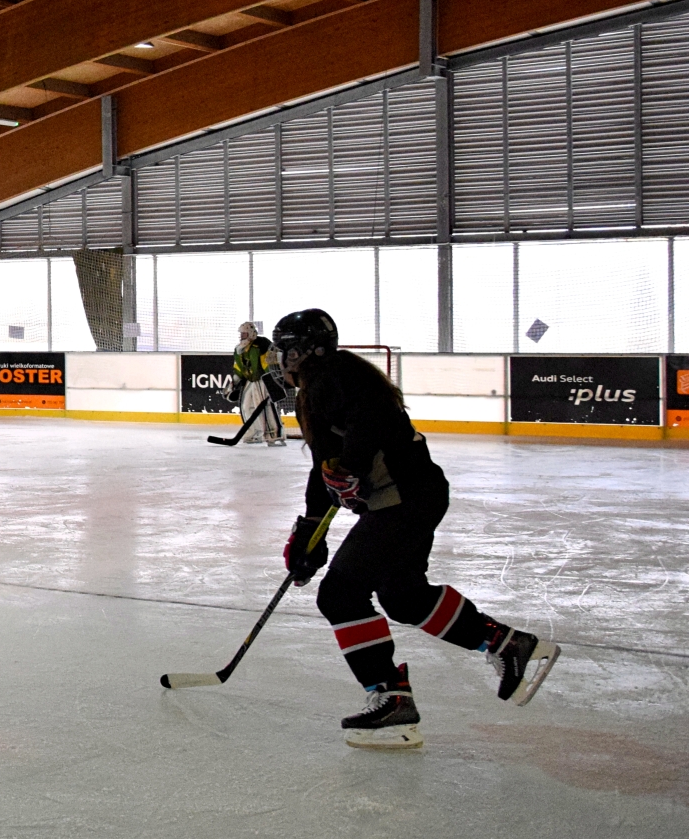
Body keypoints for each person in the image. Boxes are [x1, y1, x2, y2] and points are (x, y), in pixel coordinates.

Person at [273, 308, 558, 749]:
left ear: (306, 350)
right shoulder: (325, 381)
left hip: (403, 500)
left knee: (340, 594)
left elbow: (366, 425)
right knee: (402, 595)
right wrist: (310, 529)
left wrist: (351, 466)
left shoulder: (334, 376)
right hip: (414, 496)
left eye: (285, 348)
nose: (280, 357)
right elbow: (323, 466)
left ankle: (389, 696)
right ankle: (505, 644)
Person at [231, 321, 284, 446]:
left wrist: (273, 381)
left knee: (266, 408)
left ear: (251, 333)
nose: (242, 336)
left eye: (244, 334)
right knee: (246, 407)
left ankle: (274, 435)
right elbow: (238, 367)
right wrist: (234, 381)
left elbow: (268, 363)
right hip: (249, 381)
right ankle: (253, 434)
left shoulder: (261, 345)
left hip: (262, 380)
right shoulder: (239, 349)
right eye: (241, 334)